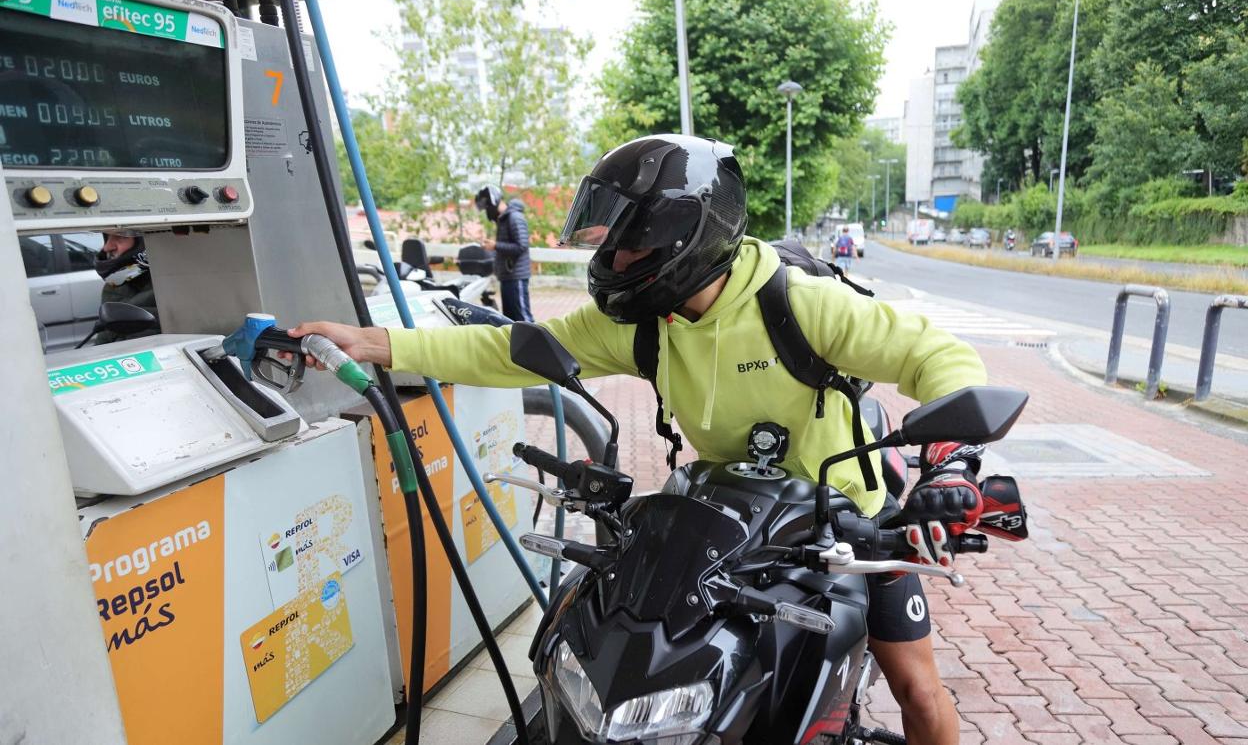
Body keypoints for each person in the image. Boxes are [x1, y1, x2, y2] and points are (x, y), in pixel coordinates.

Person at [293, 135, 990, 745]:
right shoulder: (646, 322)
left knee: (916, 688)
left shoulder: (797, 304)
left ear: (685, 234)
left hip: (841, 525)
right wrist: (374, 342)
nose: (613, 256)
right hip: (728, 524)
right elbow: (511, 349)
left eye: (628, 240)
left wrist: (950, 464)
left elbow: (939, 358)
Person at [475, 185, 534, 322]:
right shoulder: (503, 219)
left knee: (524, 318)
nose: (487, 212)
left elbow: (521, 246)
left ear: (493, 203)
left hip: (516, 277)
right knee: (510, 320)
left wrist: (495, 245)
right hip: (507, 277)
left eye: (487, 208)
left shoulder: (514, 217)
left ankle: (537, 343)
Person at [95, 232, 159, 343]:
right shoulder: (115, 286)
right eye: (107, 237)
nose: (107, 247)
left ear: (145, 242)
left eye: (121, 236)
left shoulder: (167, 291)